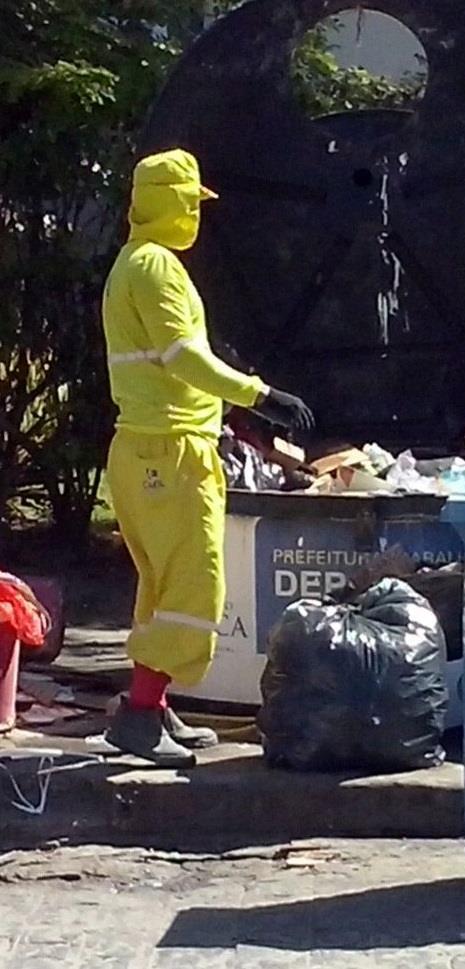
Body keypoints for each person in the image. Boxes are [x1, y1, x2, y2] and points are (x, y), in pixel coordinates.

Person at [102, 149, 314, 766]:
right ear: (170, 201)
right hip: (169, 454)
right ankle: (141, 718)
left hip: (146, 450)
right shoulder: (158, 269)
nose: (197, 213)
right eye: (191, 202)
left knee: (163, 586)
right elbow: (183, 359)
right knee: (195, 585)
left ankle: (151, 704)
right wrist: (260, 394)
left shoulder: (131, 264)